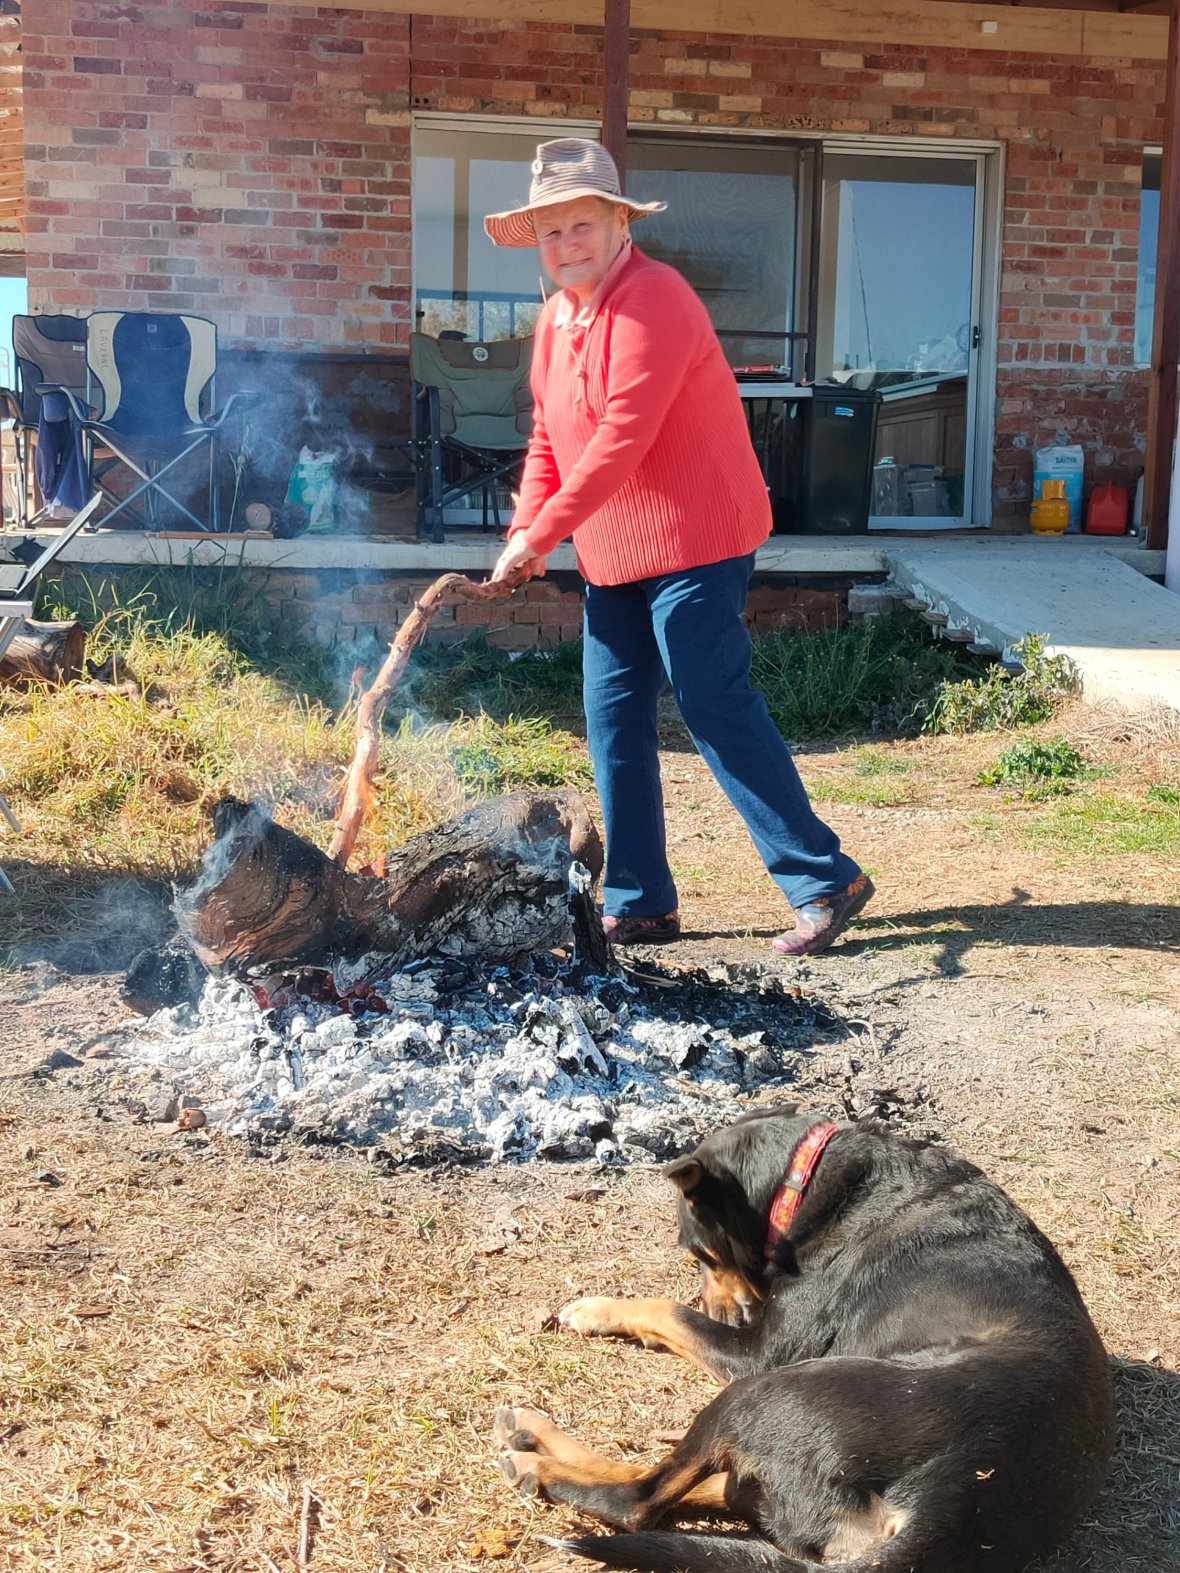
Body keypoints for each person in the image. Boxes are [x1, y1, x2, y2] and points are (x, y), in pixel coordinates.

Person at [484, 138, 873, 957]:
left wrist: (546, 532)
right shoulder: (555, 321)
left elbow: (621, 439)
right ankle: (641, 902)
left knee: (710, 698)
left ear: (619, 224)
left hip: (697, 536)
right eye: (551, 231)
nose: (566, 244)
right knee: (611, 716)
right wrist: (525, 527)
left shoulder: (655, 298)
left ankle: (824, 879)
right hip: (614, 553)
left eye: (581, 224)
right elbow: (550, 438)